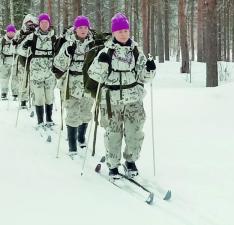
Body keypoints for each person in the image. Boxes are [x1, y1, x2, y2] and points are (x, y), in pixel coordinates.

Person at [87, 13, 156, 179]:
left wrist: (150, 69)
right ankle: (113, 165)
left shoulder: (137, 52)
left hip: (134, 100)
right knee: (113, 134)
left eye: (126, 30)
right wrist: (101, 63)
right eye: (120, 31)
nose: (123, 34)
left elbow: (145, 78)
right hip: (112, 101)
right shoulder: (106, 51)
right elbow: (93, 75)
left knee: (135, 133)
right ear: (113, 33)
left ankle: (131, 161)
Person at [53, 16, 95, 156]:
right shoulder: (68, 43)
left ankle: (81, 137)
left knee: (85, 112)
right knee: (72, 113)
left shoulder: (93, 43)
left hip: (87, 83)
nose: (83, 30)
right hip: (71, 84)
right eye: (80, 27)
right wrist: (66, 53)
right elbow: (58, 65)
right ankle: (72, 146)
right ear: (75, 29)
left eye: (85, 27)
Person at [19, 13, 57, 128]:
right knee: (39, 97)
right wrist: (25, 47)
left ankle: (49, 119)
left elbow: (59, 53)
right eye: (42, 22)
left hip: (49, 72)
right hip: (36, 72)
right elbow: (21, 50)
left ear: (49, 24)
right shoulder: (32, 36)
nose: (44, 24)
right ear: (39, 24)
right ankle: (40, 121)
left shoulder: (53, 37)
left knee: (49, 96)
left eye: (46, 22)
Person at [14, 14, 38, 108]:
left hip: (33, 59)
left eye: (31, 23)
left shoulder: (35, 33)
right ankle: (23, 99)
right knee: (23, 80)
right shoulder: (20, 33)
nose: (29, 25)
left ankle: (34, 99)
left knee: (33, 80)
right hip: (22, 59)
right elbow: (16, 46)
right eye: (28, 23)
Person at [0, 24, 18, 100]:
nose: (11, 33)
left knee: (15, 78)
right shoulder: (2, 40)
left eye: (12, 32)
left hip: (14, 61)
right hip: (5, 62)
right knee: (4, 78)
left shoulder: (17, 40)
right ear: (7, 32)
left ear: (14, 33)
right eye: (9, 32)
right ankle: (4, 92)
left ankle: (15, 93)